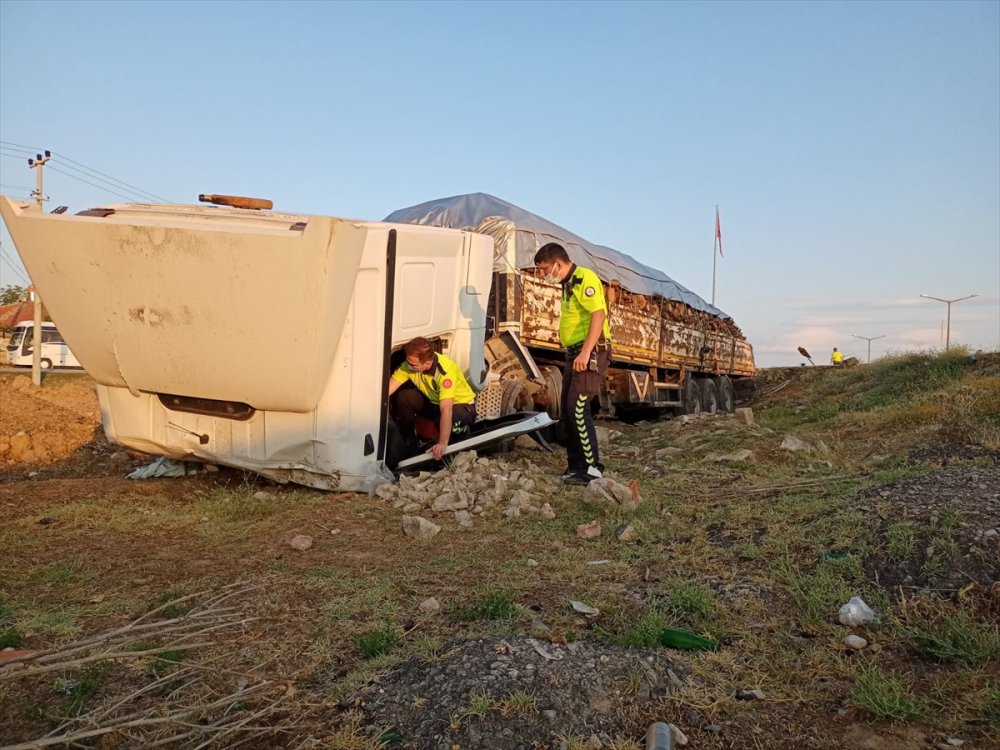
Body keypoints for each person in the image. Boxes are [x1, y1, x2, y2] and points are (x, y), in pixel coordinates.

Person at [533, 242, 612, 485]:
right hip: (575, 352)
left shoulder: (584, 278)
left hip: (591, 351)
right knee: (567, 411)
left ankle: (591, 469)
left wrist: (586, 352)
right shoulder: (568, 285)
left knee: (578, 408)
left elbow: (599, 314)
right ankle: (575, 466)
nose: (543, 274)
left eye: (545, 269)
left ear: (558, 264)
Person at [388, 337, 477, 460]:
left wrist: (442, 442)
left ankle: (459, 434)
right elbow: (388, 389)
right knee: (405, 397)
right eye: (407, 362)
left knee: (450, 418)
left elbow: (446, 409)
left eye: (413, 365)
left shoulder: (445, 371)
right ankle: (410, 443)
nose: (408, 366)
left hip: (461, 406)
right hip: (434, 402)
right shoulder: (408, 366)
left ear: (427, 363)